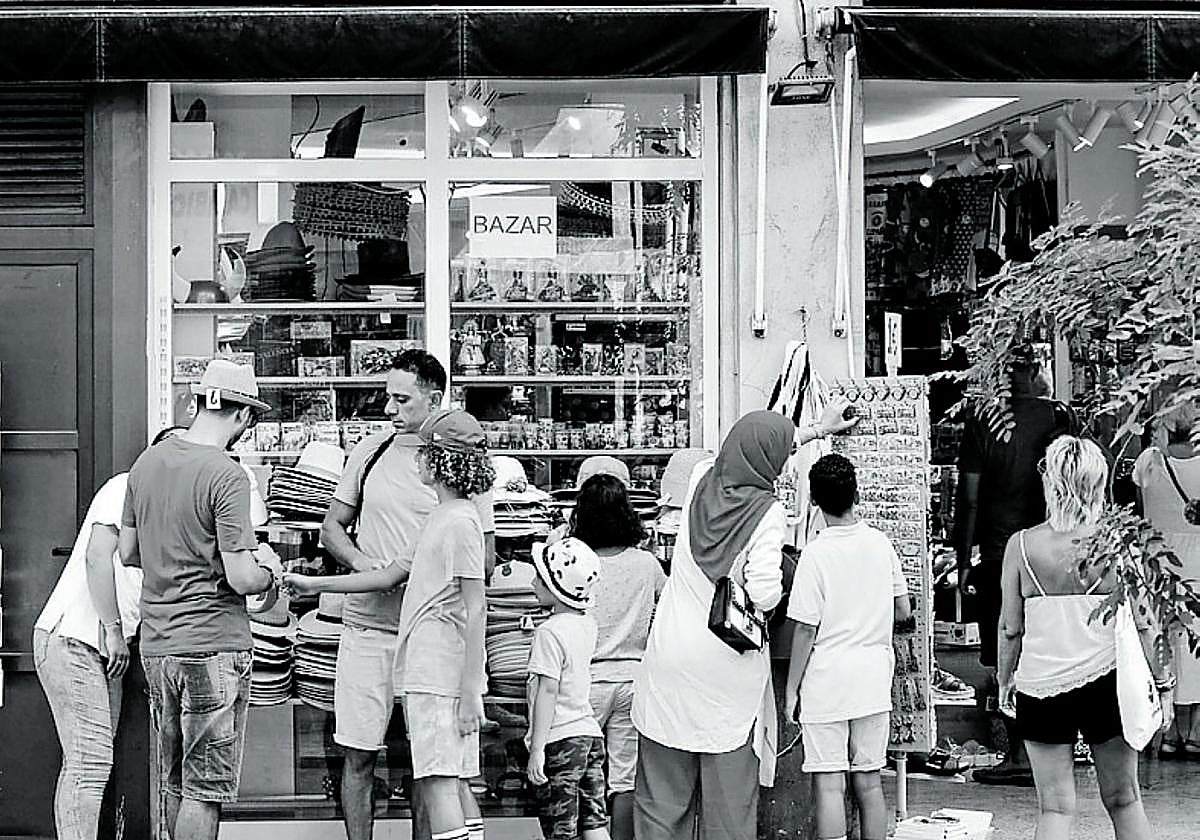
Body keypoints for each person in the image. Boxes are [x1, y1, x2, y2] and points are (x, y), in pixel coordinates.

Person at [631, 403, 856, 840]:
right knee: (729, 807)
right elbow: (765, 591)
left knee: (660, 801)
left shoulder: (700, 479)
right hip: (726, 676)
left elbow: (746, 449)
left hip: (668, 664)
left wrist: (814, 431)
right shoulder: (767, 512)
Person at [288, 409, 494, 840]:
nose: (415, 458)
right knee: (451, 779)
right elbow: (386, 576)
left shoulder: (458, 523)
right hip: (427, 666)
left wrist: (473, 688)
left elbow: (477, 607)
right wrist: (310, 583)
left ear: (440, 462)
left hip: (439, 671)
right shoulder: (443, 518)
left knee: (439, 781)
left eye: (424, 453)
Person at [120, 361, 283, 840]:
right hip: (212, 642)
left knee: (174, 780)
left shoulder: (146, 463)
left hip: (157, 645)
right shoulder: (227, 475)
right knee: (204, 788)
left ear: (197, 404)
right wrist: (269, 569)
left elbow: (129, 552)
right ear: (243, 418)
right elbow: (241, 576)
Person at [997, 436, 1174, 840]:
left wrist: (1006, 680)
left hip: (1041, 683)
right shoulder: (1118, 543)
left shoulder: (1021, 547)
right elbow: (1146, 623)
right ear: (1099, 483)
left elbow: (1010, 628)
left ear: (1051, 481)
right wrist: (1163, 686)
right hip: (1108, 681)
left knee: (1055, 808)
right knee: (1124, 800)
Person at [33, 426, 182, 840]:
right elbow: (98, 558)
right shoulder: (126, 487)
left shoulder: (167, 505)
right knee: (90, 763)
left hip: (106, 649)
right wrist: (114, 631)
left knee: (91, 761)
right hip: (74, 640)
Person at [955, 347, 1078, 785]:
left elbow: (968, 496)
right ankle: (1048, 750)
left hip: (999, 553)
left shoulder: (983, 419)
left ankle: (1020, 753)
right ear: (1032, 372)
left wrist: (961, 556)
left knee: (1005, 646)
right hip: (1052, 550)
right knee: (1047, 645)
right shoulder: (1057, 418)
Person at [784, 454, 911, 840]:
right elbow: (903, 608)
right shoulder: (880, 543)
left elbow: (805, 630)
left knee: (829, 783)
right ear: (857, 494)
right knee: (869, 781)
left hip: (826, 680)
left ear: (814, 503)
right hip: (872, 677)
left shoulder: (815, 555)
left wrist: (792, 691)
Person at [569, 472, 666, 840]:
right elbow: (666, 610)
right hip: (633, 679)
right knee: (624, 779)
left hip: (584, 682)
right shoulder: (646, 564)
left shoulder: (575, 561)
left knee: (580, 773)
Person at [526, 537, 610, 840]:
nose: (533, 582)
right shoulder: (587, 625)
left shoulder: (548, 633)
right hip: (589, 734)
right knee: (594, 822)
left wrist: (537, 749)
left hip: (560, 739)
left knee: (562, 828)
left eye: (540, 577)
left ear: (554, 588)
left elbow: (547, 691)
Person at [1132, 404, 1200, 758]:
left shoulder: (1148, 462)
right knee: (1196, 646)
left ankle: (1169, 729)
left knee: (1164, 641)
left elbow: (1143, 504)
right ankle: (1196, 732)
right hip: (1198, 560)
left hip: (1158, 563)